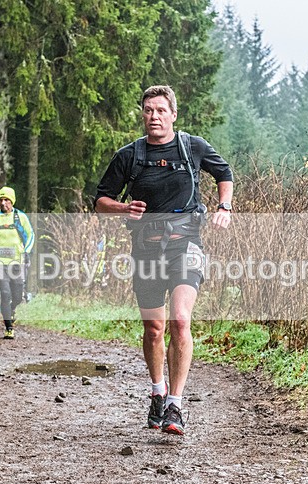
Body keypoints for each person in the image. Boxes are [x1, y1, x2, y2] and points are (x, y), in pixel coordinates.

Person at [94, 85, 234, 436]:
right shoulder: (130, 155)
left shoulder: (192, 147)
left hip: (185, 245)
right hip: (145, 249)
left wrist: (224, 207)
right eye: (148, 110)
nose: (154, 116)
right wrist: (124, 207)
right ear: (142, 115)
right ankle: (158, 392)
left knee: (180, 321)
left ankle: (176, 404)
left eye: (160, 110)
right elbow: (100, 201)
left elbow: (224, 174)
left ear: (173, 114)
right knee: (154, 329)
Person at [0, 186, 34, 339]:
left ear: (12, 201)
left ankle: (11, 310)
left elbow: (31, 234)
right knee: (5, 293)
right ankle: (9, 327)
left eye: (7, 200)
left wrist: (27, 250)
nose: (4, 203)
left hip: (17, 261)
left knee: (17, 296)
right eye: (1, 200)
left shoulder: (20, 217)